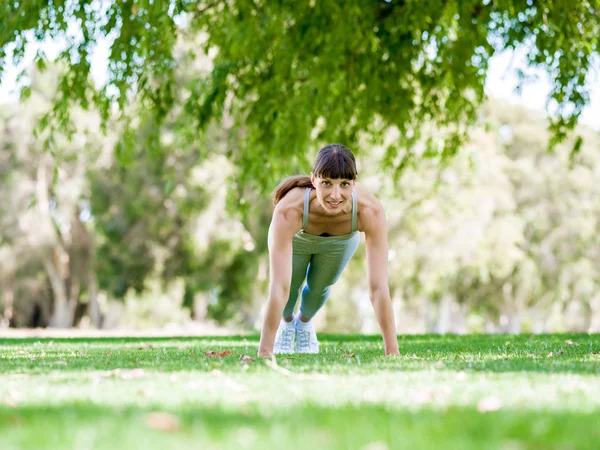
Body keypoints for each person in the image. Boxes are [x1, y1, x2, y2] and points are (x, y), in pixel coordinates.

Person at [257, 144, 400, 357]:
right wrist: (265, 352)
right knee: (290, 285)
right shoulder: (289, 210)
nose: (335, 195)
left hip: (340, 242)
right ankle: (287, 325)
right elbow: (279, 287)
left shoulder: (370, 211)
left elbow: (378, 287)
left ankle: (304, 324)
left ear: (354, 183)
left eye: (344, 184)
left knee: (319, 287)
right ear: (314, 180)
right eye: (326, 183)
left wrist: (392, 351)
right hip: (298, 239)